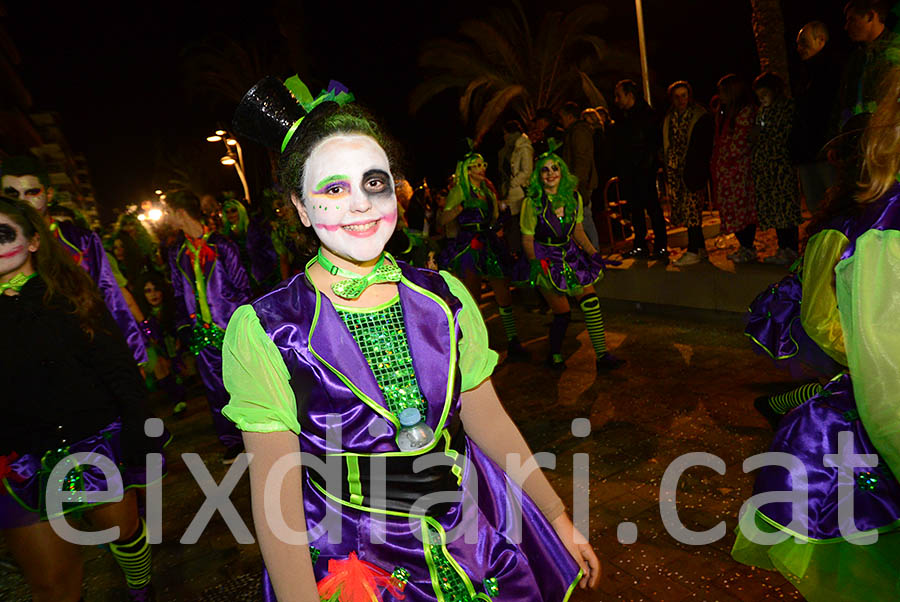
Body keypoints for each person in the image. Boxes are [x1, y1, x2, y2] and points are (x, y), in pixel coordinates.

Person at [225, 75, 600, 602]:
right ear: (302, 208)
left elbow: (487, 419)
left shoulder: (444, 298)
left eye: (373, 183)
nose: (359, 204)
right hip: (357, 563)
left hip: (475, 543)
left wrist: (557, 516)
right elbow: (276, 495)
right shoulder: (267, 331)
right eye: (333, 188)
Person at [732, 65, 900, 601]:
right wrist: (861, 352)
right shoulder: (862, 229)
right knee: (842, 400)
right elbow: (829, 317)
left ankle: (781, 401)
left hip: (854, 353)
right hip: (838, 339)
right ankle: (783, 400)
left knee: (837, 398)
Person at [0, 198, 165, 602]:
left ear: (34, 242)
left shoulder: (72, 295)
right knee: (51, 583)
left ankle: (140, 589)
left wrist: (139, 435)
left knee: (123, 532)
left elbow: (117, 370)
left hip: (92, 445)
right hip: (18, 465)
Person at [1, 156, 147, 365]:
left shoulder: (82, 241)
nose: (23, 201)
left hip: (88, 358)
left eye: (32, 192)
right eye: (12, 193)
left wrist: (135, 356)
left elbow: (110, 296)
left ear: (49, 194)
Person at [520, 144, 623, 372]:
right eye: (545, 170)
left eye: (554, 168)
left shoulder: (573, 197)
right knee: (563, 313)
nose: (550, 173)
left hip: (571, 256)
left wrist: (594, 254)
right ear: (539, 176)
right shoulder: (532, 203)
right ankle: (554, 354)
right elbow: (527, 239)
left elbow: (577, 230)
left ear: (562, 172)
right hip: (546, 259)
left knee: (591, 302)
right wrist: (537, 264)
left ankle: (602, 355)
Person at [167, 189, 250, 463]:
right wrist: (183, 326)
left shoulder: (222, 245)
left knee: (246, 384)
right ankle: (232, 441)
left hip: (231, 327)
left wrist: (244, 325)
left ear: (180, 213)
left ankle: (257, 435)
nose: (167, 218)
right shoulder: (176, 252)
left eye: (169, 212)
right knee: (215, 391)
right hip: (202, 333)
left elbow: (242, 288)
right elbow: (179, 294)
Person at [439, 149, 529, 361]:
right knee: (473, 298)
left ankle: (513, 341)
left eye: (483, 165)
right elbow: (442, 220)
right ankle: (475, 346)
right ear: (468, 170)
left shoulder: (488, 189)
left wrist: (498, 222)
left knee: (503, 292)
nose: (482, 169)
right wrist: (456, 211)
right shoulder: (460, 190)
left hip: (488, 242)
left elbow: (495, 216)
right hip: (469, 245)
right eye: (477, 166)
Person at [612, 79, 668, 262]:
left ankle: (660, 247)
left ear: (630, 95)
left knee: (652, 207)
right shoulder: (624, 117)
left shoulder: (647, 116)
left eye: (619, 95)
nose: (616, 100)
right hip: (630, 171)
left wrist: (646, 166)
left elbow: (653, 144)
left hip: (644, 171)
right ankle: (640, 245)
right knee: (635, 210)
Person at [662, 81, 714, 267]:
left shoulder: (699, 116)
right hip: (677, 171)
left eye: (684, 95)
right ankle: (699, 248)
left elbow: (703, 146)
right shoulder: (670, 117)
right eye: (677, 96)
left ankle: (693, 249)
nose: (681, 99)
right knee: (686, 211)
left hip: (693, 170)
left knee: (693, 210)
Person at [792, 21, 842, 214]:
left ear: (821, 40)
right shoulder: (807, 74)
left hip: (825, 152)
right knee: (817, 210)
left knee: (832, 208)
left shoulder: (833, 70)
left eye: (804, 42)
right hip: (809, 154)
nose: (799, 48)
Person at [752, 72, 801, 265]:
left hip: (781, 165)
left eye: (765, 93)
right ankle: (783, 247)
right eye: (759, 94)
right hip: (766, 166)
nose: (762, 97)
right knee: (775, 207)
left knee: (786, 206)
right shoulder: (763, 111)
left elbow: (780, 134)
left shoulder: (785, 108)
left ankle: (791, 248)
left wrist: (762, 136)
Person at [711, 74, 758, 263]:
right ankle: (744, 246)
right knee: (733, 210)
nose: (720, 95)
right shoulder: (725, 113)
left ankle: (748, 246)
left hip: (738, 170)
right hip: (726, 170)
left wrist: (728, 158)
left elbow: (740, 142)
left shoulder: (745, 112)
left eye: (723, 91)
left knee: (742, 211)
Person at [136, 271, 188, 416]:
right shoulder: (143, 316)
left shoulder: (174, 308)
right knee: (156, 361)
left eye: (156, 289)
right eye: (148, 291)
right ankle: (177, 399)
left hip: (180, 351)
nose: (153, 295)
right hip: (160, 355)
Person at [836, 0, 897, 125]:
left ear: (870, 16)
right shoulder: (857, 57)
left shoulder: (895, 51)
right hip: (856, 135)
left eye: (852, 19)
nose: (846, 26)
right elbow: (842, 102)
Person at [558, 101, 600, 249]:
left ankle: (594, 254)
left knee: (585, 219)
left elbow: (582, 160)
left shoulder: (579, 132)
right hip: (578, 182)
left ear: (569, 117)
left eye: (562, 117)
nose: (560, 120)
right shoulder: (574, 132)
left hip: (580, 184)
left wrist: (575, 182)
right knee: (582, 220)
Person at [221, 197, 279, 293]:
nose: (230, 214)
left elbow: (269, 248)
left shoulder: (254, 227)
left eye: (233, 210)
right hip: (243, 277)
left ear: (240, 211)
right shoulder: (226, 234)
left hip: (263, 274)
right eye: (227, 212)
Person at [497, 120, 534, 255]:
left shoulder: (523, 148)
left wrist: (513, 183)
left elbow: (526, 171)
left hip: (518, 192)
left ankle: (519, 254)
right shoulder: (508, 149)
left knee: (517, 223)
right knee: (511, 223)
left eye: (505, 134)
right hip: (509, 192)